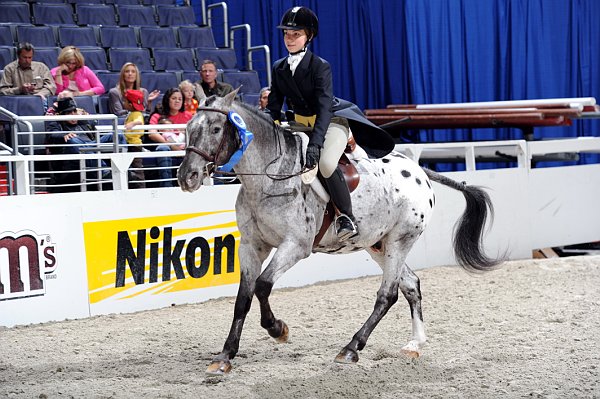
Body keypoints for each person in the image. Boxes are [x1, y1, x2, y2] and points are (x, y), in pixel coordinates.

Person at [266, 6, 395, 241]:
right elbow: (274, 105)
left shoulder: (320, 66)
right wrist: (266, 126)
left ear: (309, 37)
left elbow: (324, 108)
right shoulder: (279, 67)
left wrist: (315, 144)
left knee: (325, 164)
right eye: (287, 34)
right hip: (299, 124)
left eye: (296, 34)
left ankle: (346, 216)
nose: (290, 39)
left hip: (330, 121)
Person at [45, 97, 127, 190]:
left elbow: (93, 131)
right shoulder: (56, 124)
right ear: (62, 115)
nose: (73, 115)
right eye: (69, 113)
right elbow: (52, 135)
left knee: (118, 135)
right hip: (74, 151)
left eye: (74, 112)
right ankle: (104, 171)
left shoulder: (83, 121)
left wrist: (85, 115)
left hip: (90, 146)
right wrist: (64, 135)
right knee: (73, 139)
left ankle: (123, 167)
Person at [147, 88, 192, 187]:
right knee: (163, 148)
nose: (177, 101)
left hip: (185, 148)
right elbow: (152, 134)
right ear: (167, 100)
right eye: (174, 98)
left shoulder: (188, 115)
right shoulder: (157, 116)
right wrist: (172, 146)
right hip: (167, 147)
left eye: (180, 99)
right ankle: (166, 185)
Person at [122, 89, 147, 188]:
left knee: (137, 168)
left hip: (134, 145)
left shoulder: (136, 114)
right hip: (130, 144)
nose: (123, 103)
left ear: (130, 104)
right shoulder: (131, 113)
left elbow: (139, 122)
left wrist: (132, 123)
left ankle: (141, 187)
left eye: (125, 101)